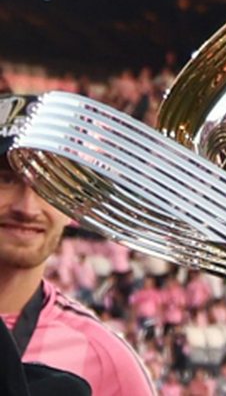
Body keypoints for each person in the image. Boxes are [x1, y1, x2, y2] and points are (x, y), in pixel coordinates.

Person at [0, 93, 156, 396]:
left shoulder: (107, 362)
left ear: (72, 205)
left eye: (48, 183)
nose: (27, 208)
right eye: (6, 179)